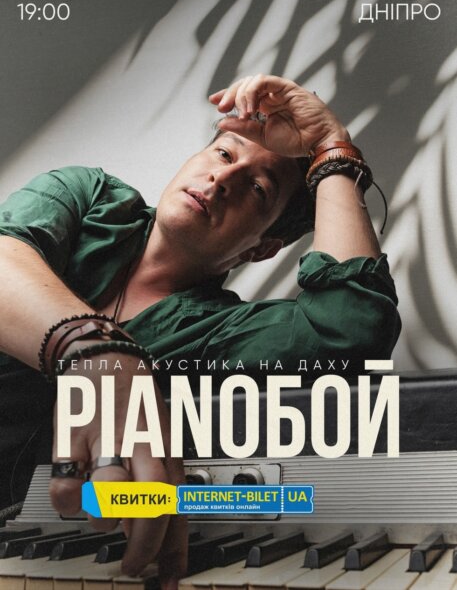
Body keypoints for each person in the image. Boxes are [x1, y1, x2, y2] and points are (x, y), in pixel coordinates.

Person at [0, 75, 401, 587]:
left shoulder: (223, 330)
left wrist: (333, 151)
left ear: (262, 248)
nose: (222, 178)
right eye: (223, 153)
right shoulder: (88, 198)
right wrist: (100, 354)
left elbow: (351, 328)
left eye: (257, 189)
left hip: (47, 550)